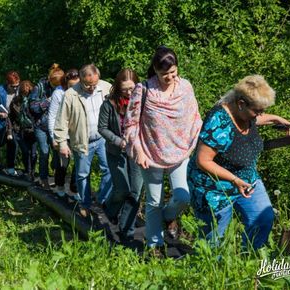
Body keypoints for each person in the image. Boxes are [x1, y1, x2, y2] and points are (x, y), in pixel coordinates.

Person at [188, 75, 290, 250]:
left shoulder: (246, 115)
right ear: (241, 104)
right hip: (214, 187)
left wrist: (274, 118)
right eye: (258, 110)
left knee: (263, 220)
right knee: (214, 243)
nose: (259, 114)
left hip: (247, 178)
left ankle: (247, 260)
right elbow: (202, 160)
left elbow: (254, 119)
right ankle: (210, 274)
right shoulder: (219, 121)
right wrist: (234, 181)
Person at [124, 46, 202, 253]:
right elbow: (130, 124)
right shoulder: (144, 90)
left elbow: (194, 117)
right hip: (149, 153)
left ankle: (168, 217)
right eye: (164, 73)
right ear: (155, 71)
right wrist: (138, 151)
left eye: (173, 72)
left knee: (184, 196)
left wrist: (197, 141)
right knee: (153, 201)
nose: (169, 77)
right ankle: (154, 245)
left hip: (180, 151)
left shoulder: (185, 87)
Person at [54, 64, 113, 217]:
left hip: (102, 138)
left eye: (94, 84)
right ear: (80, 80)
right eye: (87, 85)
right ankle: (85, 204)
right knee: (82, 174)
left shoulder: (106, 88)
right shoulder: (70, 95)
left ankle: (103, 199)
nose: (92, 88)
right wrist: (61, 143)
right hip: (82, 141)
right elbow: (62, 120)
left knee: (109, 169)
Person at [98, 68, 144, 242]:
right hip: (116, 152)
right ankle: (109, 209)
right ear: (118, 87)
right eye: (125, 89)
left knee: (135, 193)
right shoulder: (109, 104)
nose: (129, 92)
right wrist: (118, 140)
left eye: (132, 88)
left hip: (137, 152)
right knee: (122, 190)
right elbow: (101, 128)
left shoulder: (142, 102)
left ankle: (127, 231)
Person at [47, 69, 80, 200]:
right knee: (63, 163)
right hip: (63, 134)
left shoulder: (82, 91)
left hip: (77, 133)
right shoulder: (58, 93)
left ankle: (74, 188)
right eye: (72, 86)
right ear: (66, 84)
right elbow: (52, 116)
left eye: (77, 85)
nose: (75, 88)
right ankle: (60, 187)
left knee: (79, 162)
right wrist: (54, 137)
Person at [28, 64, 62, 189]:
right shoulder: (39, 87)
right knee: (44, 152)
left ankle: (59, 179)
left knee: (58, 153)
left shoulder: (63, 87)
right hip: (41, 126)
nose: (57, 88)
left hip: (57, 126)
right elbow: (33, 107)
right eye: (55, 86)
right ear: (50, 81)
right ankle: (44, 178)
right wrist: (48, 101)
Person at [0, 71, 20, 175]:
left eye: (17, 86)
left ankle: (10, 166)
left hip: (13, 122)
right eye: (12, 86)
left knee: (13, 144)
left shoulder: (19, 91)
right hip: (0, 121)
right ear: (7, 83)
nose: (15, 88)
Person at [6, 80, 36, 181]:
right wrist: (10, 131)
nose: (24, 95)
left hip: (33, 130)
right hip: (20, 130)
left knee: (33, 153)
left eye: (26, 93)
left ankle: (32, 171)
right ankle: (27, 171)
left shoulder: (34, 100)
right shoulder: (16, 101)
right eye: (23, 93)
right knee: (25, 152)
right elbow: (10, 117)